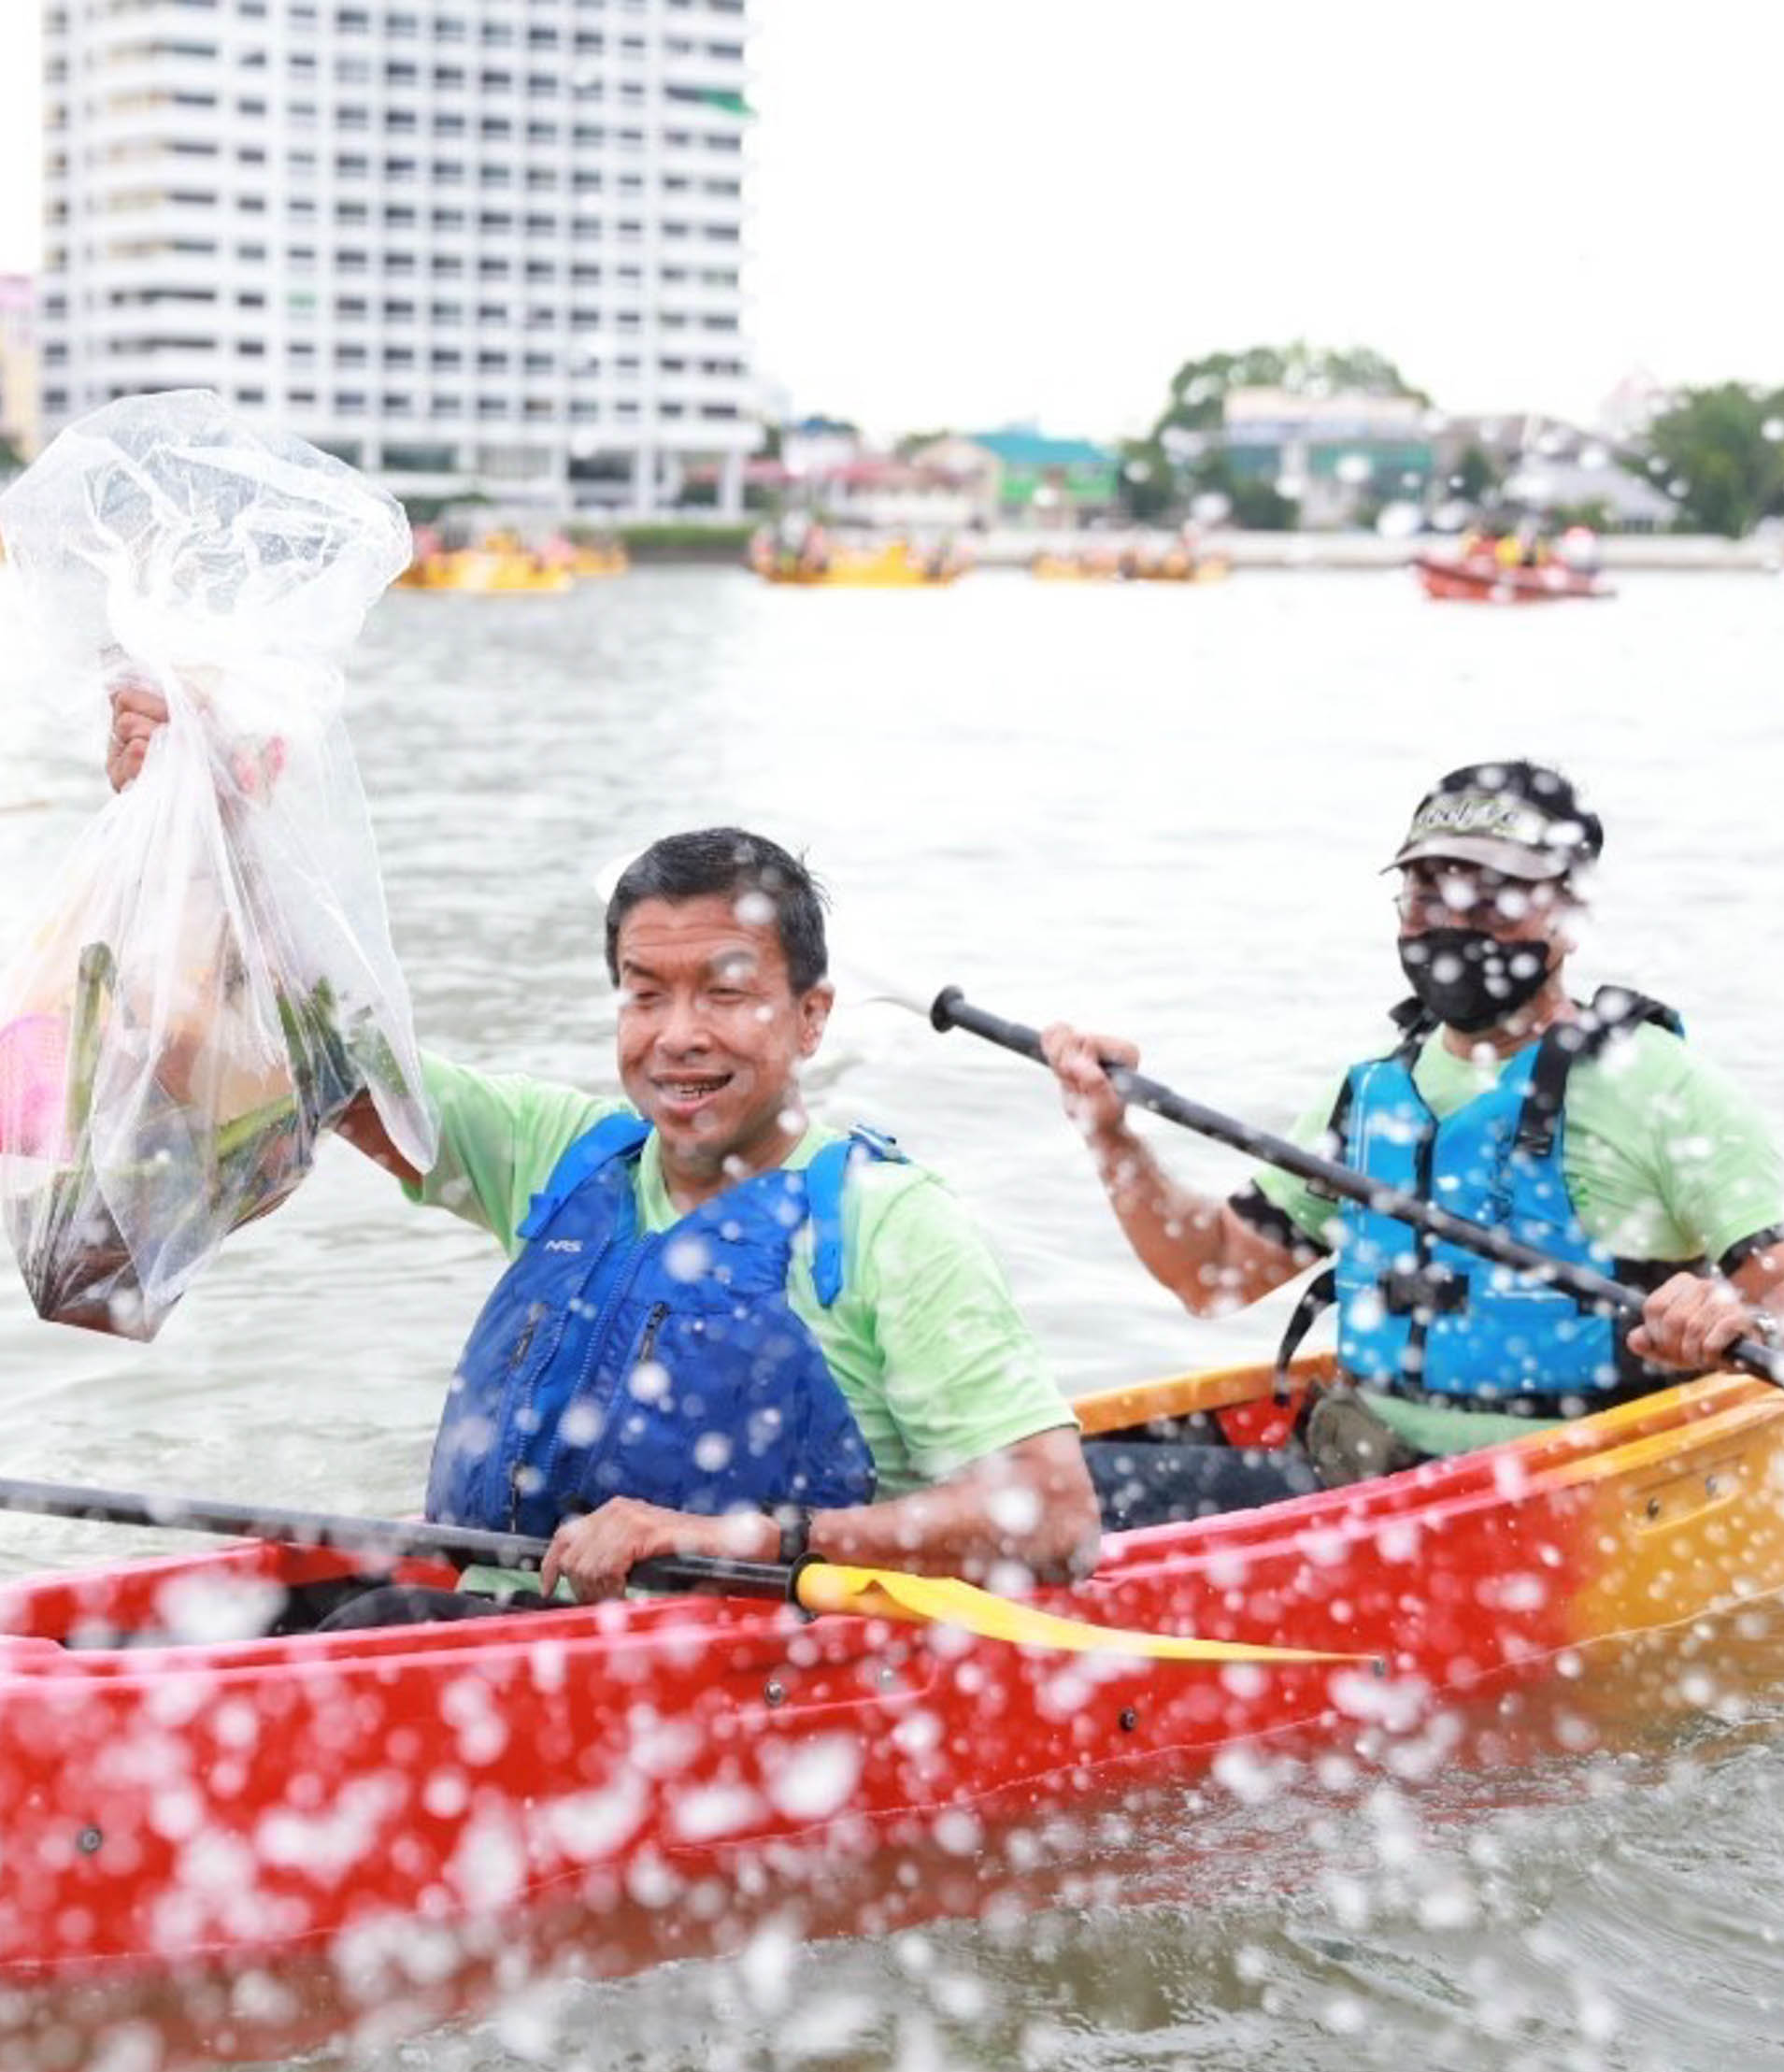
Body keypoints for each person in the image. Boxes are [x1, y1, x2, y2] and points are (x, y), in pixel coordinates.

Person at [104, 686, 1103, 1617]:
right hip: (489, 1618)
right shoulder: (561, 1154)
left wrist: (745, 1537)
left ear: (810, 1018)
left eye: (725, 991)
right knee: (318, 1617)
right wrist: (202, 829)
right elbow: (312, 1050)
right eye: (645, 991)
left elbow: (1056, 1521)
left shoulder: (891, 1225)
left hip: (727, 1658)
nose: (678, 1034)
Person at [1035, 761, 1784, 1525]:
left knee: (1044, 1512)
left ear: (1567, 915)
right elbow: (1209, 1274)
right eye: (1428, 894)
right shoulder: (1368, 1096)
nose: (1455, 922)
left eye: (1494, 896)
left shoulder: (1664, 1088)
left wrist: (1731, 1314)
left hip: (1563, 1498)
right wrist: (1112, 1137)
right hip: (1356, 1479)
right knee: (1029, 1488)